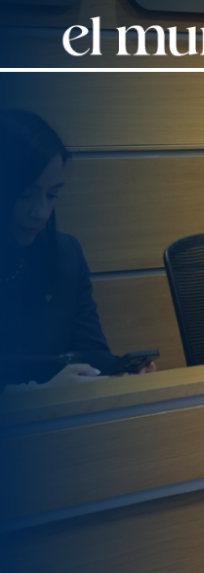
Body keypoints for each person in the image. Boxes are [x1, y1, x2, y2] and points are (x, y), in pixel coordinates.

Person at [1, 111, 119, 393]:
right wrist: (37, 394)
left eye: (52, 194)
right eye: (26, 195)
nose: (41, 212)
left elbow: (89, 349)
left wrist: (120, 372)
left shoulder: (66, 252)